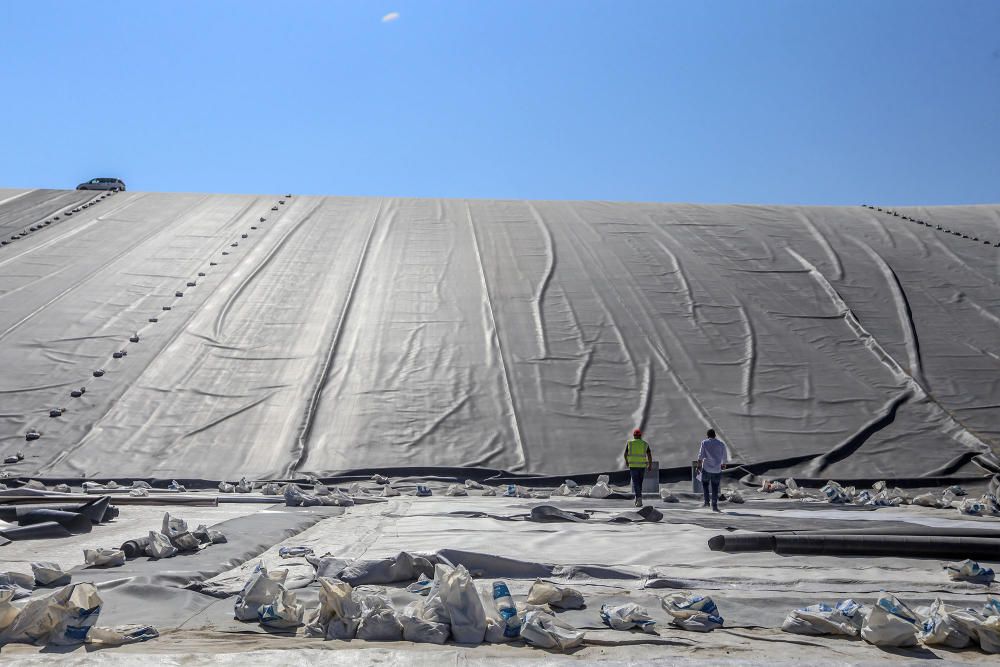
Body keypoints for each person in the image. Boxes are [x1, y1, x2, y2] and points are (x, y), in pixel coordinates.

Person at [697, 428, 728, 512]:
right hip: (717, 469)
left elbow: (700, 456)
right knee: (715, 488)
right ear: (715, 435)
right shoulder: (721, 444)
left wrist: (698, 466)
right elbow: (724, 456)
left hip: (706, 468)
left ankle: (707, 502)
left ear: (707, 436)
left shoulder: (704, 443)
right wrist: (723, 464)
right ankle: (714, 506)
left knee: (705, 485)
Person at [623, 428, 653, 507]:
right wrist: (650, 464)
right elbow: (649, 455)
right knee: (639, 483)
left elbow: (625, 454)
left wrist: (626, 461)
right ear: (640, 436)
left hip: (633, 466)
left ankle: (638, 499)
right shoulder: (645, 444)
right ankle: (639, 498)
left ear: (634, 436)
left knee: (636, 483)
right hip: (642, 466)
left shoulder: (630, 443)